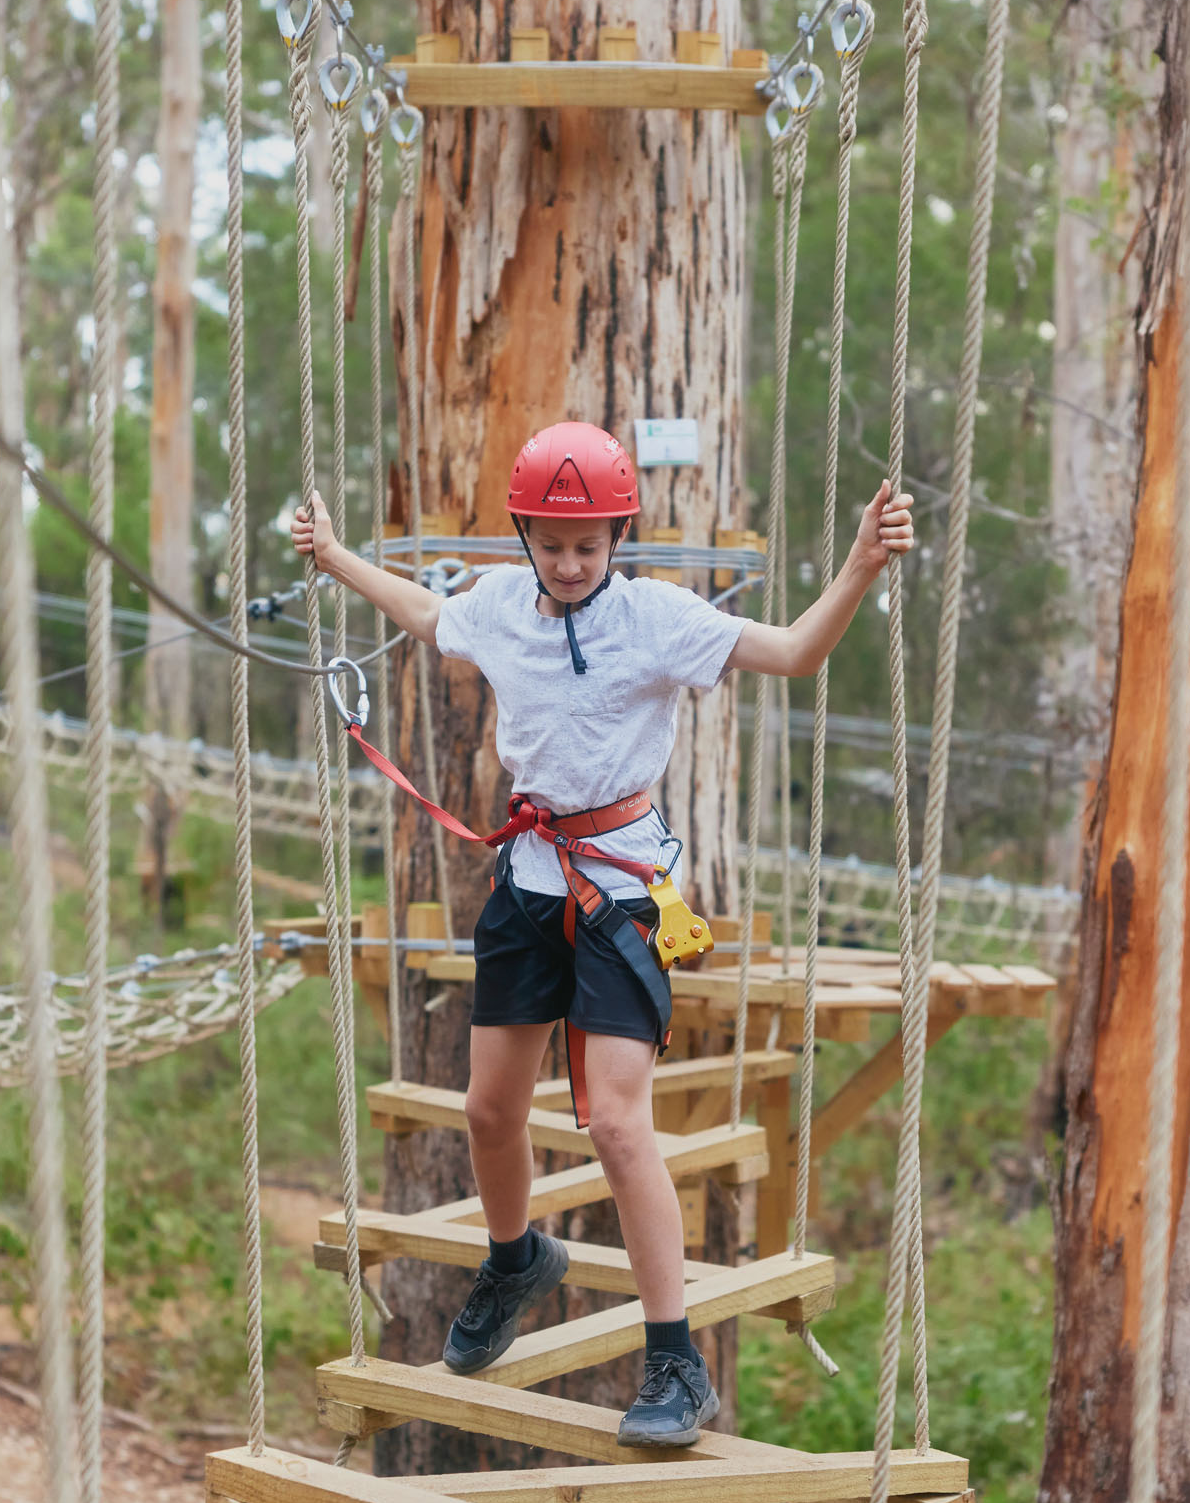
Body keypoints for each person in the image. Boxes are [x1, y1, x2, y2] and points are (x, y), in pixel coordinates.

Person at [292, 421, 913, 1448]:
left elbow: (797, 653)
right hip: (529, 882)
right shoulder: (496, 603)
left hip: (622, 890)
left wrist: (858, 563)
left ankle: (674, 1358)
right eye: (552, 542)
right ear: (523, 535)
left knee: (617, 1123)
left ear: (619, 534)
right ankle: (514, 1257)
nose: (572, 562)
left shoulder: (658, 619)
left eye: (590, 543)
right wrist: (335, 556)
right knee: (488, 1109)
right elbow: (419, 612)